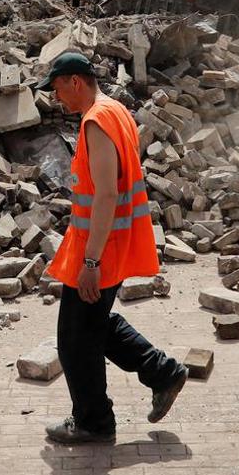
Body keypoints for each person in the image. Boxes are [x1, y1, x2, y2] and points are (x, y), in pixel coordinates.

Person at [39, 50, 190, 444]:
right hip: (109, 241)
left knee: (74, 339)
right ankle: (162, 372)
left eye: (57, 89)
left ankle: (94, 421)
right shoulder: (117, 111)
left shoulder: (96, 121)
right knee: (93, 325)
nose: (56, 98)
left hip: (100, 247)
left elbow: (107, 194)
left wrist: (91, 261)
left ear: (75, 81)